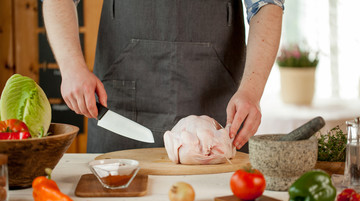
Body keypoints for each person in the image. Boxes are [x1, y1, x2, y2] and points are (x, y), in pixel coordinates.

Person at [42, 0, 284, 153]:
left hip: (218, 118)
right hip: (120, 113)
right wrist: (71, 66)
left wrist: (252, 90)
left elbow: (267, 4)